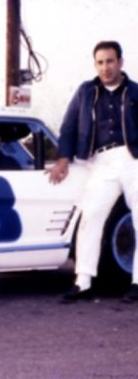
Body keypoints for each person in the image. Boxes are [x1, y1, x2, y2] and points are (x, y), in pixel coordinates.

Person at [48, 40, 138, 303]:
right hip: (99, 161)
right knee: (90, 218)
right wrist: (63, 158)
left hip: (132, 158)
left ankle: (137, 282)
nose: (105, 67)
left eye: (110, 61)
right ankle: (83, 282)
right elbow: (69, 126)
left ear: (120, 62)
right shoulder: (86, 92)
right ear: (95, 64)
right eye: (100, 62)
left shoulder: (135, 92)